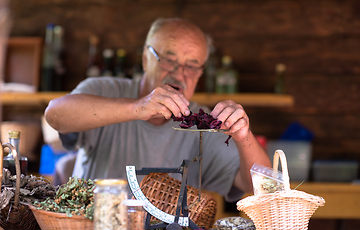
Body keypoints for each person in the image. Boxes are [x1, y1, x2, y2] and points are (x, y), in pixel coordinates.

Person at [44, 18, 271, 201]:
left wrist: (244, 137)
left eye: (192, 66)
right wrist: (137, 107)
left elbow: (263, 186)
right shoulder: (103, 89)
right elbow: (54, 115)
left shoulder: (203, 123)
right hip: (95, 229)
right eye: (168, 60)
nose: (179, 73)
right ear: (145, 60)